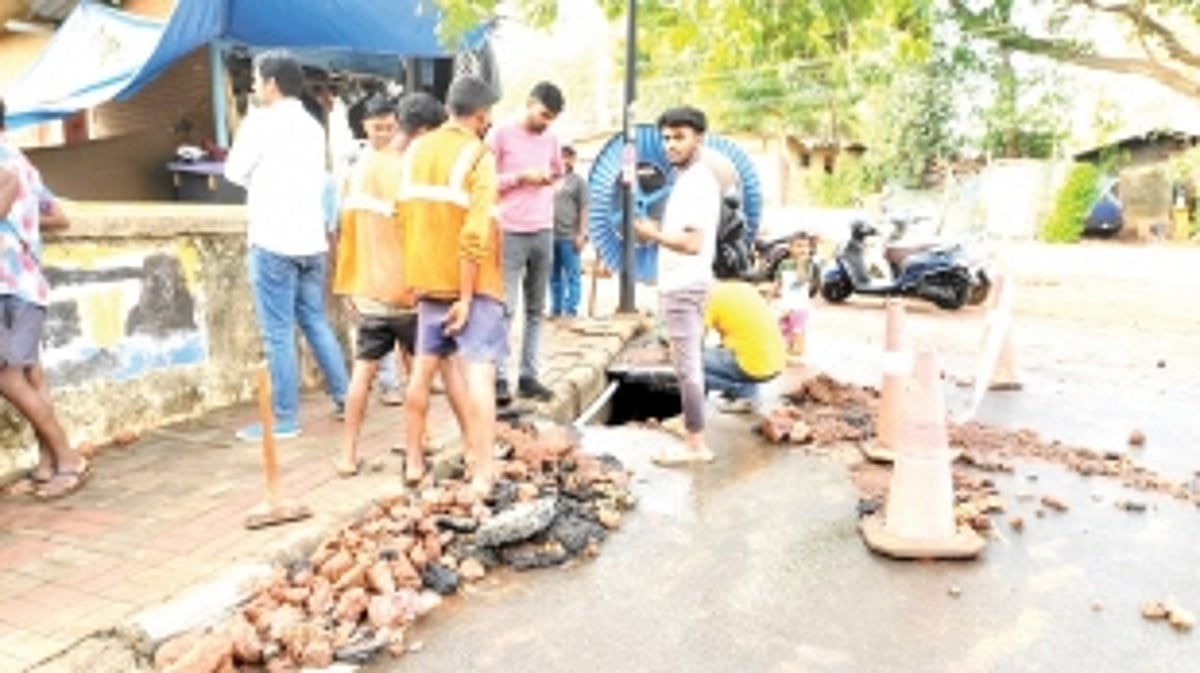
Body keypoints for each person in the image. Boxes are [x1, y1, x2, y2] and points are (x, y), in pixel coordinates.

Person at [224, 50, 350, 441]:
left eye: (256, 79)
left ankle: (284, 419)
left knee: (278, 333)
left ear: (272, 84)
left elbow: (234, 172)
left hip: (273, 240)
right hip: (311, 241)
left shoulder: (259, 123)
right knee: (315, 321)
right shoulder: (312, 125)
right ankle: (346, 398)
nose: (253, 86)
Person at [398, 76, 506, 494]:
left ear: (447, 109)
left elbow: (402, 217)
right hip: (473, 285)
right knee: (480, 374)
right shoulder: (479, 155)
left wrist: (413, 276)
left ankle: (414, 462)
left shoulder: (415, 151)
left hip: (426, 281)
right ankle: (483, 472)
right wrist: (464, 295)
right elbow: (475, 232)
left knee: (423, 373)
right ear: (481, 115)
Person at [0, 97, 91, 499]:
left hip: (9, 286)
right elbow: (57, 215)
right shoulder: (20, 160)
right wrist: (24, 226)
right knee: (29, 375)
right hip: (25, 282)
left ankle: (68, 457)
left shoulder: (6, 164)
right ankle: (46, 464)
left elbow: (6, 191)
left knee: (7, 376)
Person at [633, 106, 721, 466]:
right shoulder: (689, 179)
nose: (670, 144)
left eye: (679, 137)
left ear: (699, 138)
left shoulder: (697, 182)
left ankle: (695, 445)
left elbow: (693, 242)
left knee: (687, 368)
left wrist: (651, 233)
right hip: (686, 283)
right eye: (666, 138)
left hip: (684, 286)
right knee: (688, 362)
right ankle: (690, 424)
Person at [488, 81, 565, 404]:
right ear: (529, 103)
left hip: (543, 229)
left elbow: (560, 174)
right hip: (509, 230)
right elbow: (484, 182)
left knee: (536, 309)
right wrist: (520, 178)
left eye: (552, 118)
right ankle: (498, 378)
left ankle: (529, 376)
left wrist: (550, 183)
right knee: (505, 308)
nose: (546, 122)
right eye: (543, 114)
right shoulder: (500, 135)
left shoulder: (552, 140)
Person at [704, 278, 786, 413]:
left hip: (752, 365)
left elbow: (694, 342)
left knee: (686, 360)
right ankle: (749, 395)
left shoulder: (710, 297)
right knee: (724, 349)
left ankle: (739, 389)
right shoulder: (747, 289)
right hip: (776, 362)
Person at [549, 145, 588, 318]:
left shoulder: (578, 182)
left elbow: (584, 209)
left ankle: (571, 310)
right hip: (550, 236)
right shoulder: (550, 180)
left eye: (568, 156)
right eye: (562, 156)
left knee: (573, 275)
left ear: (573, 159)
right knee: (553, 275)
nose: (565, 159)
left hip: (570, 237)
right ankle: (556, 309)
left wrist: (582, 234)